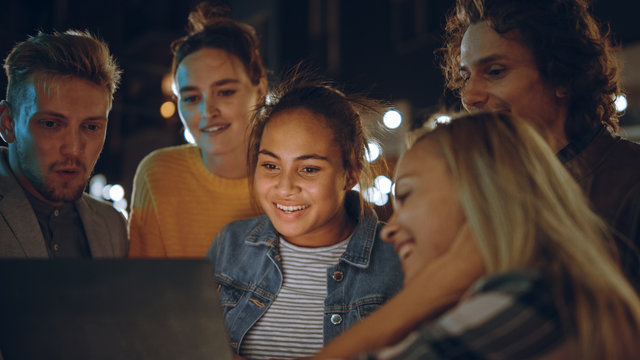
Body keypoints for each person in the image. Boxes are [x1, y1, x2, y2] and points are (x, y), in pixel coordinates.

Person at [316, 111, 640, 360]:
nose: (391, 230)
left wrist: (429, 291)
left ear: (483, 194)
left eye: (408, 195)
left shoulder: (535, 298)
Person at [439, 0, 640, 287]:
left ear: (562, 76)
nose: (469, 96)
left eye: (495, 71)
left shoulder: (630, 184)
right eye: (465, 76)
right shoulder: (490, 192)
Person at [206, 69, 403, 359]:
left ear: (349, 175)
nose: (284, 188)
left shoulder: (397, 259)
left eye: (309, 169)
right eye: (271, 166)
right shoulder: (230, 245)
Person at [128, 1, 267, 257]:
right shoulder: (159, 175)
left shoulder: (289, 179)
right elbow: (145, 291)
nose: (207, 111)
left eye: (225, 92)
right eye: (191, 98)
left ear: (260, 90)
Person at [0, 30, 126, 258]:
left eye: (91, 127)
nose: (74, 148)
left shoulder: (112, 224)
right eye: (50, 124)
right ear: (8, 123)